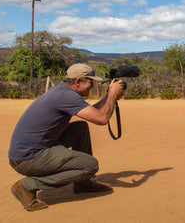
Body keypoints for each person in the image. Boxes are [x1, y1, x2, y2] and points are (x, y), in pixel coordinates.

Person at [8, 63, 125, 211]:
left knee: (79, 128)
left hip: (30, 151)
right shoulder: (66, 96)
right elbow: (101, 118)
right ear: (78, 82)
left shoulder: (63, 91)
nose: (92, 87)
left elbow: (92, 112)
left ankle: (83, 183)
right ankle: (27, 186)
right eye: (90, 82)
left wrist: (110, 98)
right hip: (28, 158)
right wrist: (112, 96)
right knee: (90, 165)